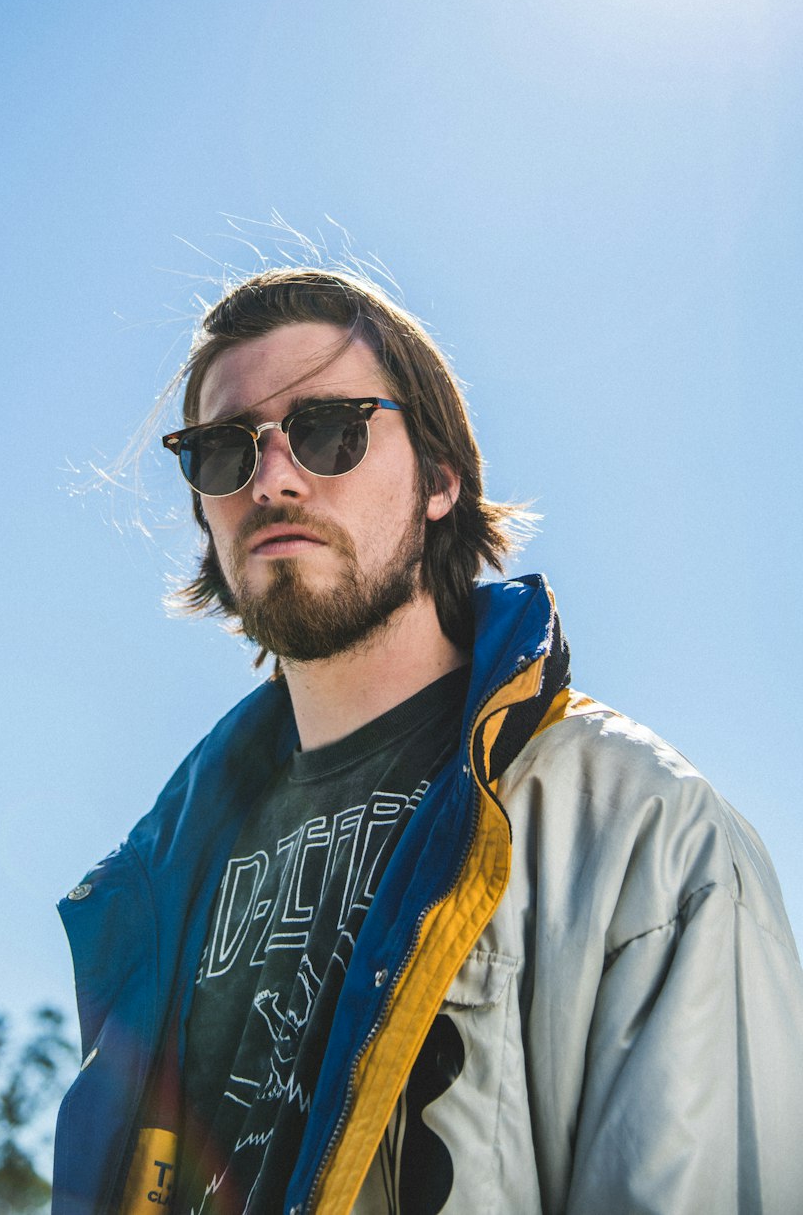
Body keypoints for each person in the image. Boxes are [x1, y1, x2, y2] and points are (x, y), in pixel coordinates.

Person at [52, 267, 803, 1215]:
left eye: (331, 430)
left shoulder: (643, 837)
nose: (273, 476)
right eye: (222, 452)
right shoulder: (159, 884)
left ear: (441, 479)